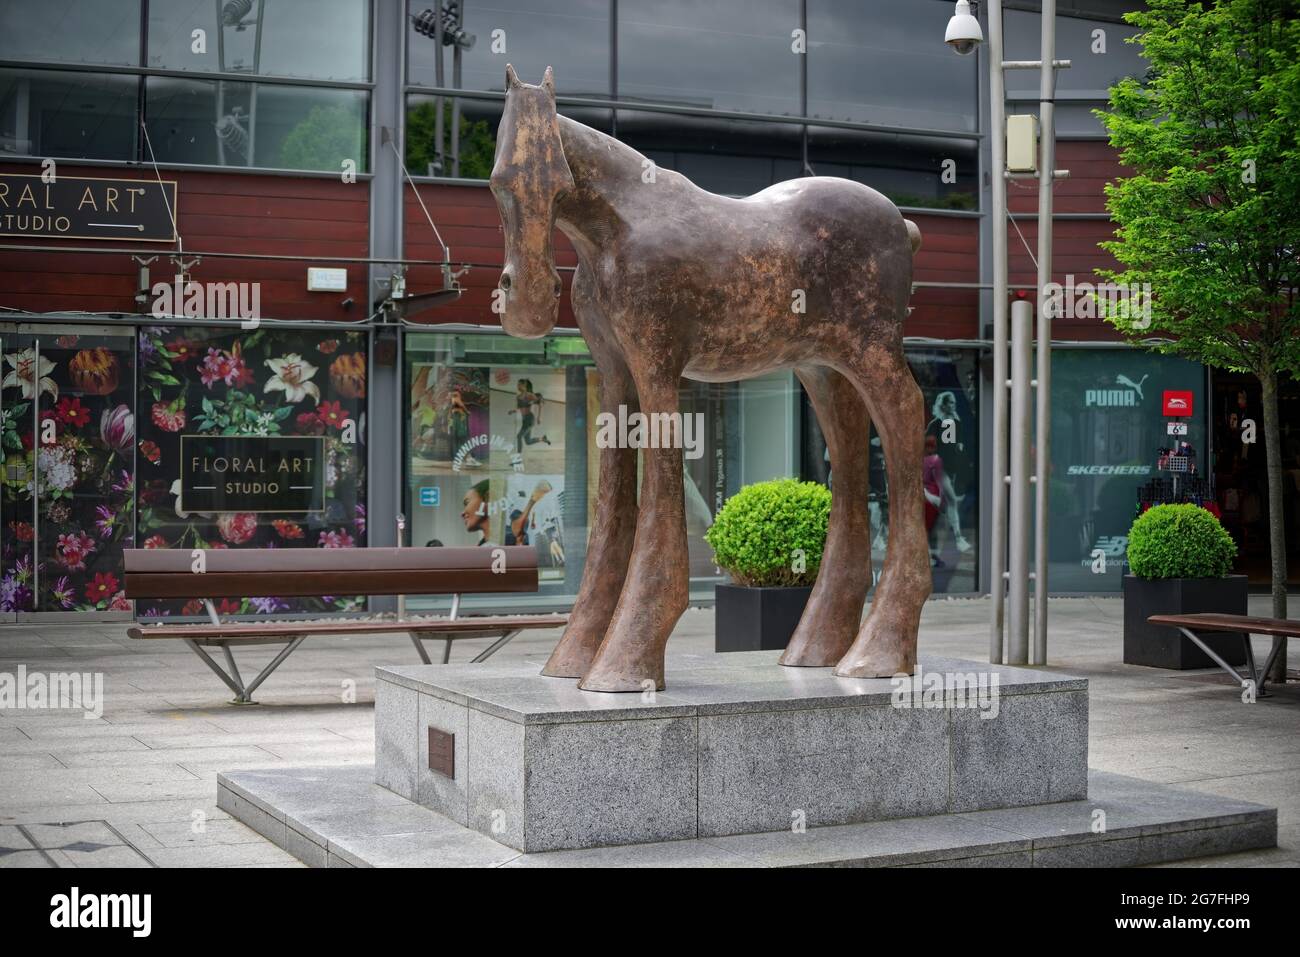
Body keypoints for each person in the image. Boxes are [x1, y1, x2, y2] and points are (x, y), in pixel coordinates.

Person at [925, 391, 972, 553]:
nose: (954, 405)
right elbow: (930, 448)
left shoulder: (953, 422)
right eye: (950, 403)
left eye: (954, 402)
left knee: (943, 504)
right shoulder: (937, 424)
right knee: (952, 500)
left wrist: (959, 446)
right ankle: (958, 538)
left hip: (950, 468)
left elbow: (955, 445)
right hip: (939, 468)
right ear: (943, 405)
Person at [508, 378, 551, 453]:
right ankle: (543, 439)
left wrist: (539, 417)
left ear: (524, 385)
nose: (517, 386)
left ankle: (518, 460)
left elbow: (541, 403)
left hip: (530, 419)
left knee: (519, 436)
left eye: (519, 384)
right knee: (528, 442)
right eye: (517, 384)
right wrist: (513, 411)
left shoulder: (529, 395)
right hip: (524, 420)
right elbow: (520, 408)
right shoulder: (518, 397)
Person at [460, 479, 492, 546]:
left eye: (467, 503)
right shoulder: (480, 547)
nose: (462, 513)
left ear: (488, 498)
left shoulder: (512, 541)